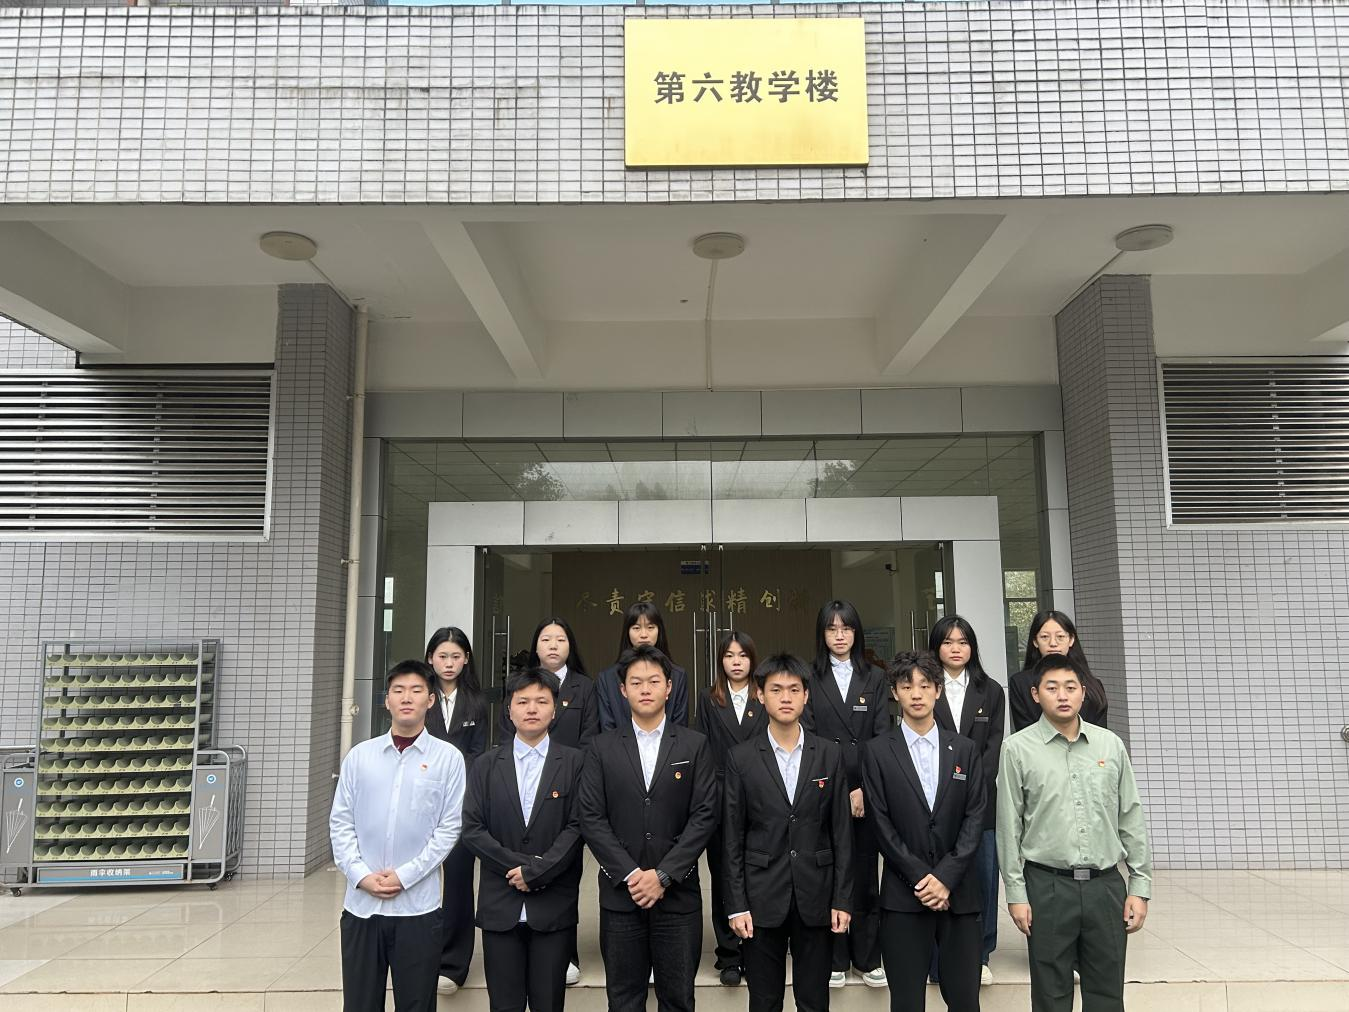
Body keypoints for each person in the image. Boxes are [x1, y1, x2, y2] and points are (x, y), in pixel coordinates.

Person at [997, 653, 1152, 1012]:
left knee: (1107, 994)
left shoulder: (1109, 745)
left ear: (1084, 691)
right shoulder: (1016, 749)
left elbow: (1130, 817)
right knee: (1051, 996)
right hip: (1047, 887)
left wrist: (1139, 886)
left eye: (1071, 687)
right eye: (1052, 688)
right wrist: (1016, 893)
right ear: (1036, 694)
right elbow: (1008, 826)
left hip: (1105, 887)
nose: (1063, 695)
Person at [578, 644, 719, 1012]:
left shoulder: (694, 745)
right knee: (624, 1000)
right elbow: (591, 817)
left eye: (654, 681)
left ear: (668, 688)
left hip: (678, 898)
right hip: (621, 898)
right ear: (622, 689)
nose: (645, 689)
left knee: (678, 999)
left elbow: (704, 815)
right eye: (636, 682)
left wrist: (664, 874)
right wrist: (631, 874)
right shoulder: (601, 748)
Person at [330, 660, 467, 1012]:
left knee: (417, 1004)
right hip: (361, 907)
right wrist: (361, 875)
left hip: (418, 908)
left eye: (417, 690)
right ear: (386, 700)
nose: (407, 698)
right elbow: (340, 822)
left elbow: (448, 829)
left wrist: (405, 876)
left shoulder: (448, 759)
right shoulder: (360, 757)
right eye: (398, 690)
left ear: (430, 700)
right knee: (360, 1004)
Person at [722, 653, 853, 1012]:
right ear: (760, 695)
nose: (785, 698)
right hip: (761, 895)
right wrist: (736, 905)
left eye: (794, 690)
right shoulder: (741, 758)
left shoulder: (829, 755)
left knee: (814, 1000)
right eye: (776, 689)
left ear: (806, 696)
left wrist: (842, 899)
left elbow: (841, 833)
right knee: (765, 1001)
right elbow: (732, 838)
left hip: (817, 894)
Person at [863, 651, 986, 1012]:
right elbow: (880, 823)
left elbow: (975, 816)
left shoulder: (964, 749)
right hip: (903, 897)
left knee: (965, 1000)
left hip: (959, 895)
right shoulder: (877, 752)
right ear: (894, 693)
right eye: (906, 686)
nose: (916, 694)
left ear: (938, 690)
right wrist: (922, 878)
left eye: (925, 685)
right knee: (906, 1001)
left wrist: (945, 877)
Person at [461, 666, 586, 1012]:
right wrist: (521, 867)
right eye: (523, 701)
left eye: (541, 701)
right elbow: (472, 828)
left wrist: (539, 871)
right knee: (504, 1005)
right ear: (509, 709)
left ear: (555, 709)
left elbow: (578, 826)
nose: (532, 708)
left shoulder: (575, 762)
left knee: (549, 1004)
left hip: (553, 905)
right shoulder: (485, 765)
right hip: (500, 905)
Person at [500, 616, 597, 985]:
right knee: (523, 861)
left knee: (565, 870)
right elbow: (508, 732)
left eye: (560, 639)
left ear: (570, 645)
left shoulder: (585, 687)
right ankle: (521, 941)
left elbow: (590, 737)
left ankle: (566, 953)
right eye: (545, 639)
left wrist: (570, 773)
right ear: (535, 646)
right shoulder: (519, 685)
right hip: (525, 782)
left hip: (568, 786)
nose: (553, 645)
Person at [803, 600, 890, 988]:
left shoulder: (875, 677)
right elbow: (809, 737)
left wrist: (863, 789)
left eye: (846, 628)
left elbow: (880, 737)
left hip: (865, 791)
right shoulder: (809, 676)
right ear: (822, 634)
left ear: (857, 633)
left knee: (865, 873)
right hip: (823, 787)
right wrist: (841, 789)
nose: (839, 636)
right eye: (831, 629)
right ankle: (835, 956)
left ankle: (868, 957)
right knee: (829, 872)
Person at [928, 616, 1004, 986]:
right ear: (936, 647)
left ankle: (981, 953)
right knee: (938, 875)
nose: (955, 648)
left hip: (980, 801)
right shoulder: (926, 687)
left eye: (962, 641)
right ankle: (937, 956)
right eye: (947, 642)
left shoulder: (991, 691)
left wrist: (970, 788)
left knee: (984, 876)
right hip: (935, 800)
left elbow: (992, 748)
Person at [696, 630, 769, 986]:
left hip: (761, 794)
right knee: (724, 873)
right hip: (721, 796)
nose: (736, 662)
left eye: (742, 655)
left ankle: (756, 949)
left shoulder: (765, 695)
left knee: (758, 871)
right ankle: (728, 954)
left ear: (752, 659)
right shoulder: (709, 699)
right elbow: (703, 750)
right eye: (729, 655)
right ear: (720, 661)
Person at [424, 626, 489, 996]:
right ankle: (420, 954)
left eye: (456, 656)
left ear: (466, 660)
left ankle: (453, 964)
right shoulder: (421, 696)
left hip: (461, 803)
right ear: (430, 658)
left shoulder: (476, 702)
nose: (448, 663)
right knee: (419, 879)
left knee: (459, 883)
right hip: (421, 801)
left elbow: (478, 755)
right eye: (442, 656)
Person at [1008, 611, 1108, 733]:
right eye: (1045, 637)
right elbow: (1025, 733)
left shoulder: (1094, 685)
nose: (1053, 643)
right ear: (1035, 641)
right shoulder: (1020, 682)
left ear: (1071, 640)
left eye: (1060, 637)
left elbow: (1101, 733)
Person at [596, 601, 690, 730]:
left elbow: (680, 727)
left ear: (659, 631)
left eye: (650, 627)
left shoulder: (678, 675)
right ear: (627, 632)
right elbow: (607, 728)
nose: (644, 635)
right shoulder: (607, 678)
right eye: (636, 628)